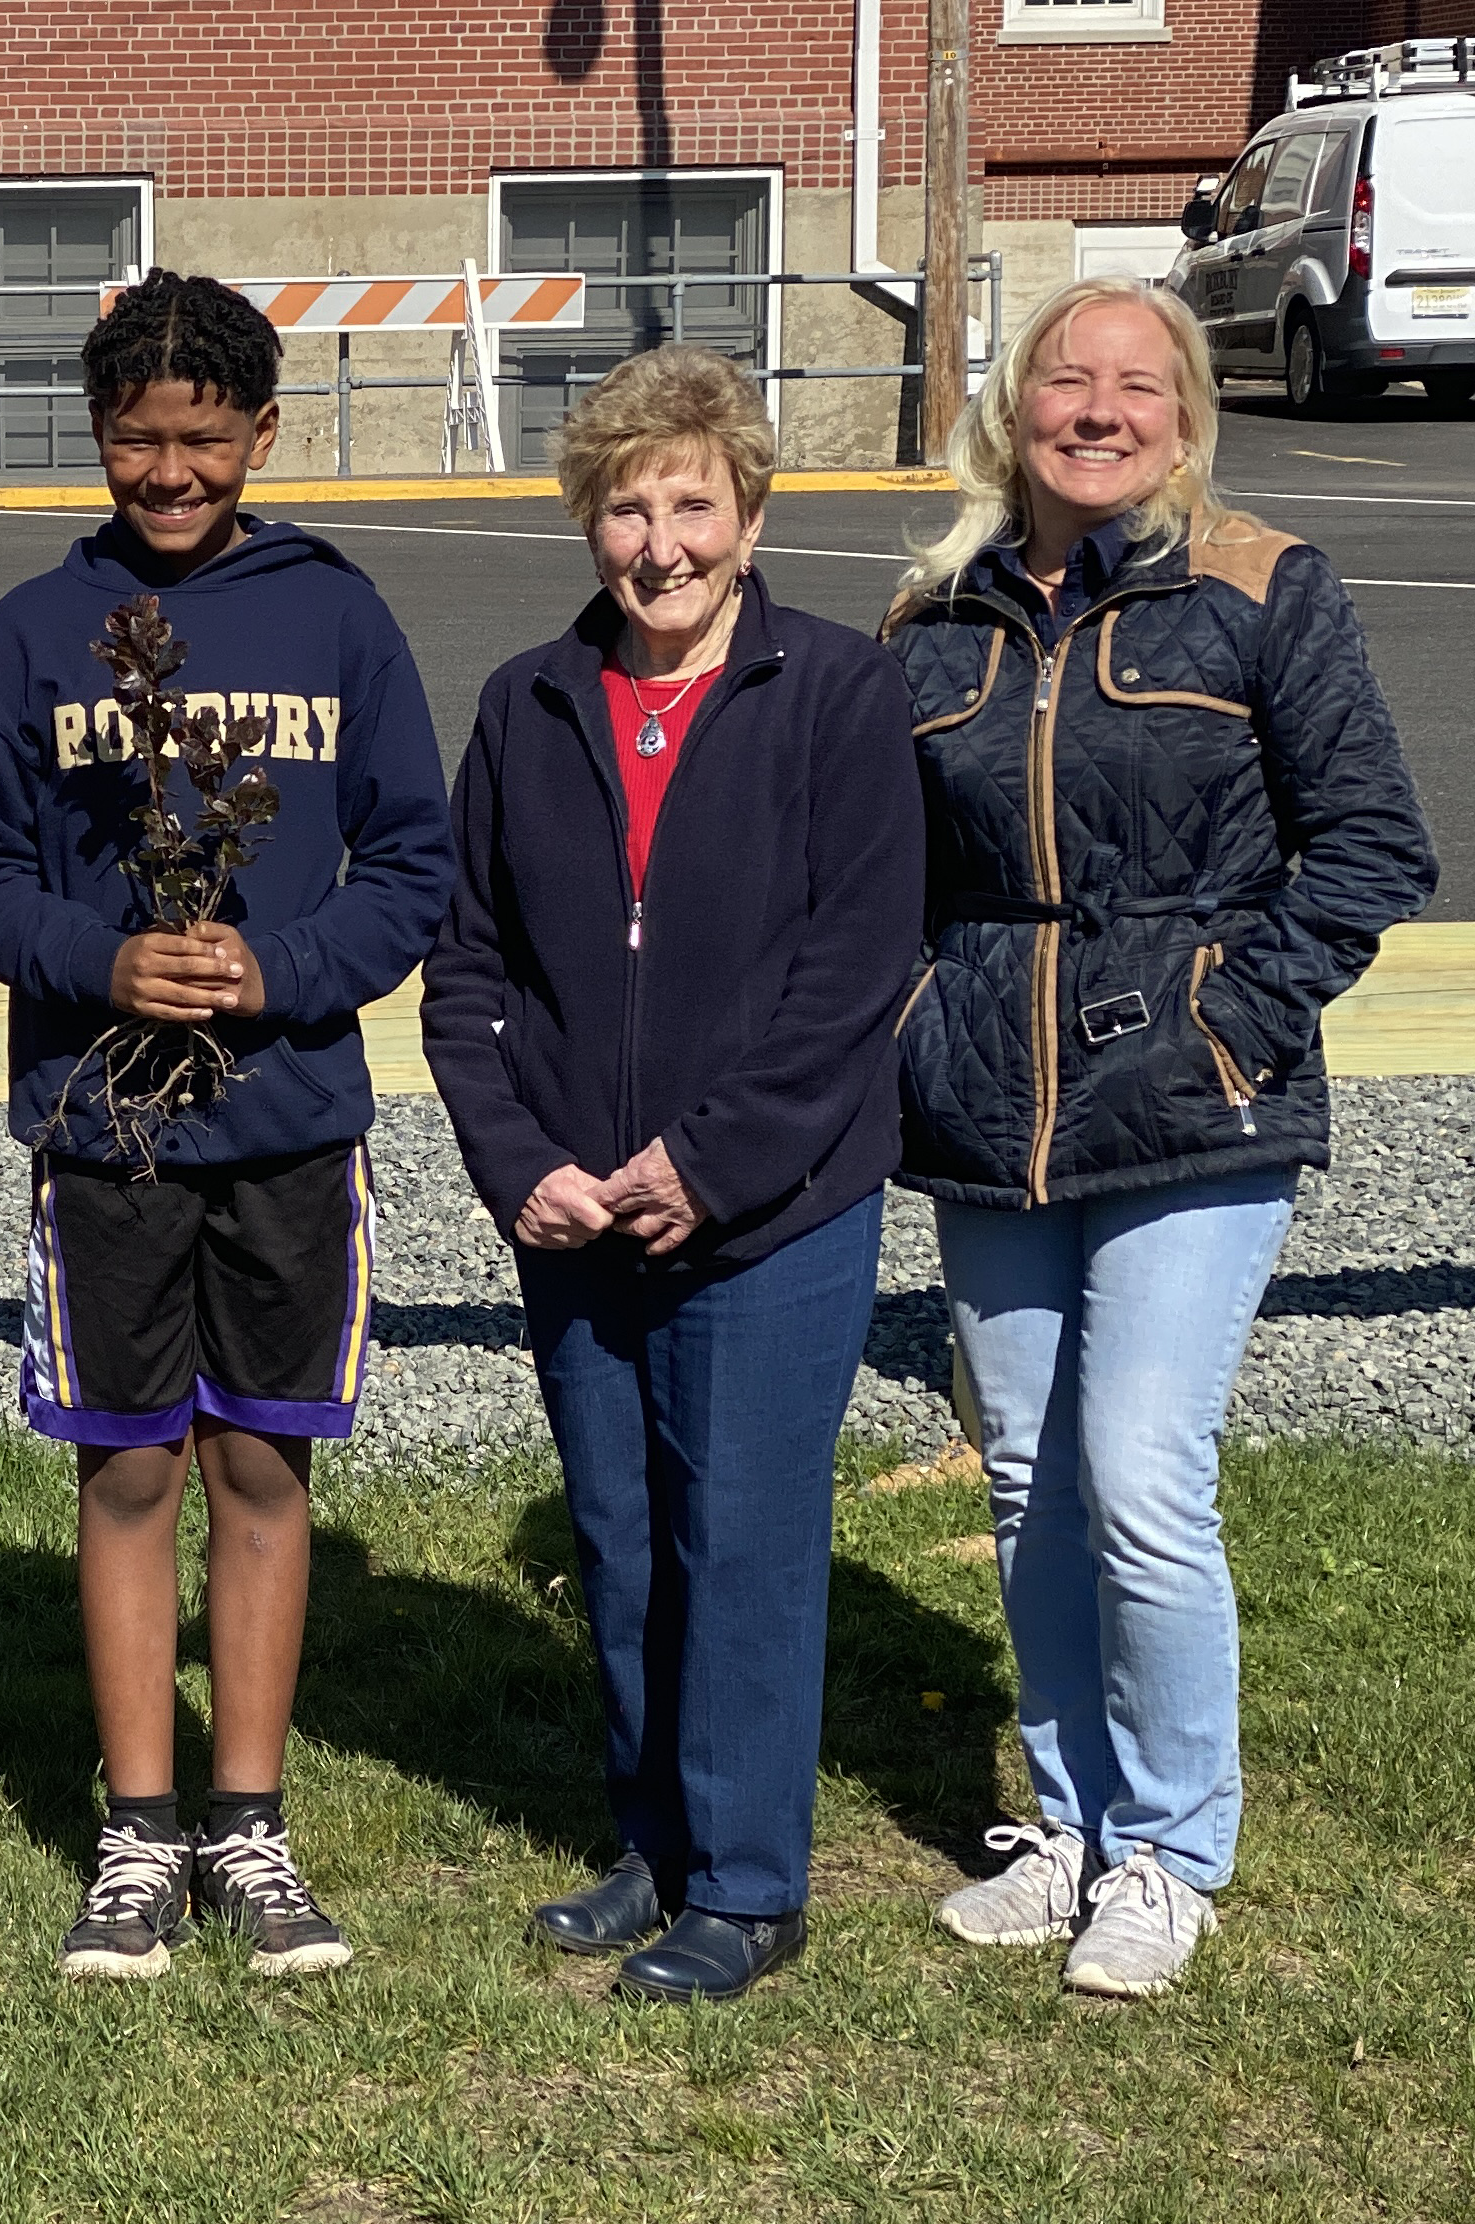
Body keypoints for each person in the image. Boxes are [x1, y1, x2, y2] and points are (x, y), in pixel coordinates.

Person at [889, 277, 1435, 1998]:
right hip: (984, 1098)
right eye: (1066, 379)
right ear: (1010, 406)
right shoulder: (929, 619)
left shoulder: (1263, 590)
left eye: (1137, 383)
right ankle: (1064, 1821)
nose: (1097, 410)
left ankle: (1167, 1845)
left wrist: (1226, 1019)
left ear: (1185, 413)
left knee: (1134, 1471)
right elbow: (874, 872)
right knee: (1023, 1477)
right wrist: (909, 1019)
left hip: (1190, 1101)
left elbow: (1366, 847)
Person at [0, 272, 451, 1983]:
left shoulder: (333, 617)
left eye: (200, 437)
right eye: (135, 438)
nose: (166, 469)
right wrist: (100, 956)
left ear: (256, 431)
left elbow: (410, 864)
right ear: (95, 435)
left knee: (256, 1458)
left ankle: (247, 1813)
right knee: (128, 1463)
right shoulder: (32, 630)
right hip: (103, 1129)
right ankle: (134, 1828)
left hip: (290, 1114)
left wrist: (274, 965)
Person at [423, 344, 925, 2005]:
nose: (657, 542)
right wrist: (526, 1166)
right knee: (618, 1535)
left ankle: (746, 1878)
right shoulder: (524, 701)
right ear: (585, 522)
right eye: (623, 507)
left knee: (741, 1536)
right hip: (572, 1213)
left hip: (767, 1210)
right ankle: (646, 1837)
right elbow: (466, 977)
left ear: (750, 510)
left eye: (689, 504)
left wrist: (696, 1165)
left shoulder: (839, 696)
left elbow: (850, 972)